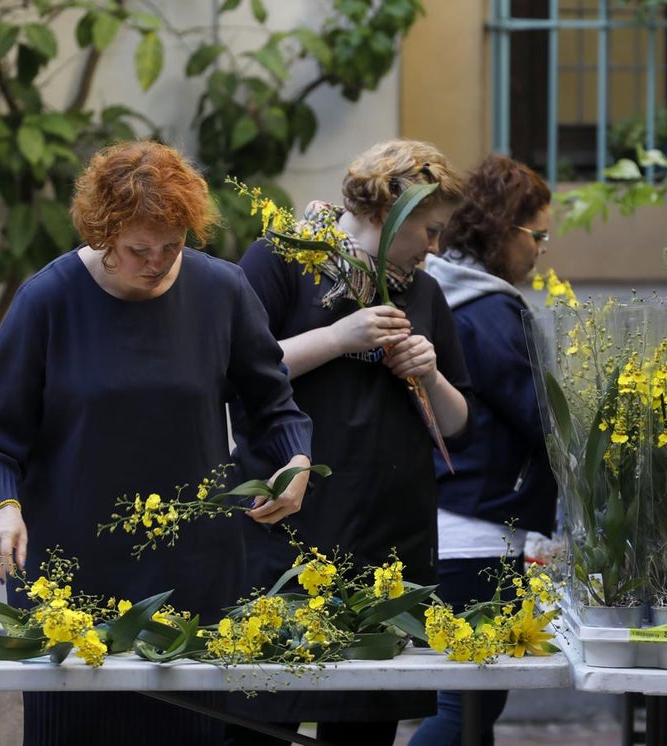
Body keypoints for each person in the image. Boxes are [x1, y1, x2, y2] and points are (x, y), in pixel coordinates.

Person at [0, 139, 313, 745]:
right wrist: (4, 510)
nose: (157, 263)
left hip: (194, 575)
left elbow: (274, 407)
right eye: (138, 250)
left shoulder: (222, 292)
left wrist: (295, 461)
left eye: (172, 247)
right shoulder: (48, 300)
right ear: (103, 235)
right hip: (72, 579)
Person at [224, 139, 474, 746]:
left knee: (363, 725)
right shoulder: (284, 259)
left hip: (386, 535)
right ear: (388, 210)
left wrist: (429, 373)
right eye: (429, 229)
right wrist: (338, 337)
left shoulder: (425, 292)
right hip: (286, 528)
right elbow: (234, 372)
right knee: (260, 716)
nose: (436, 247)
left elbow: (457, 422)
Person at [408, 153, 558, 746]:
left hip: (448, 516)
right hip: (477, 528)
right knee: (465, 706)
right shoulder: (490, 311)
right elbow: (541, 416)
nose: (541, 249)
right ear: (503, 228)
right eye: (537, 234)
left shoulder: (440, 291)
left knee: (471, 705)